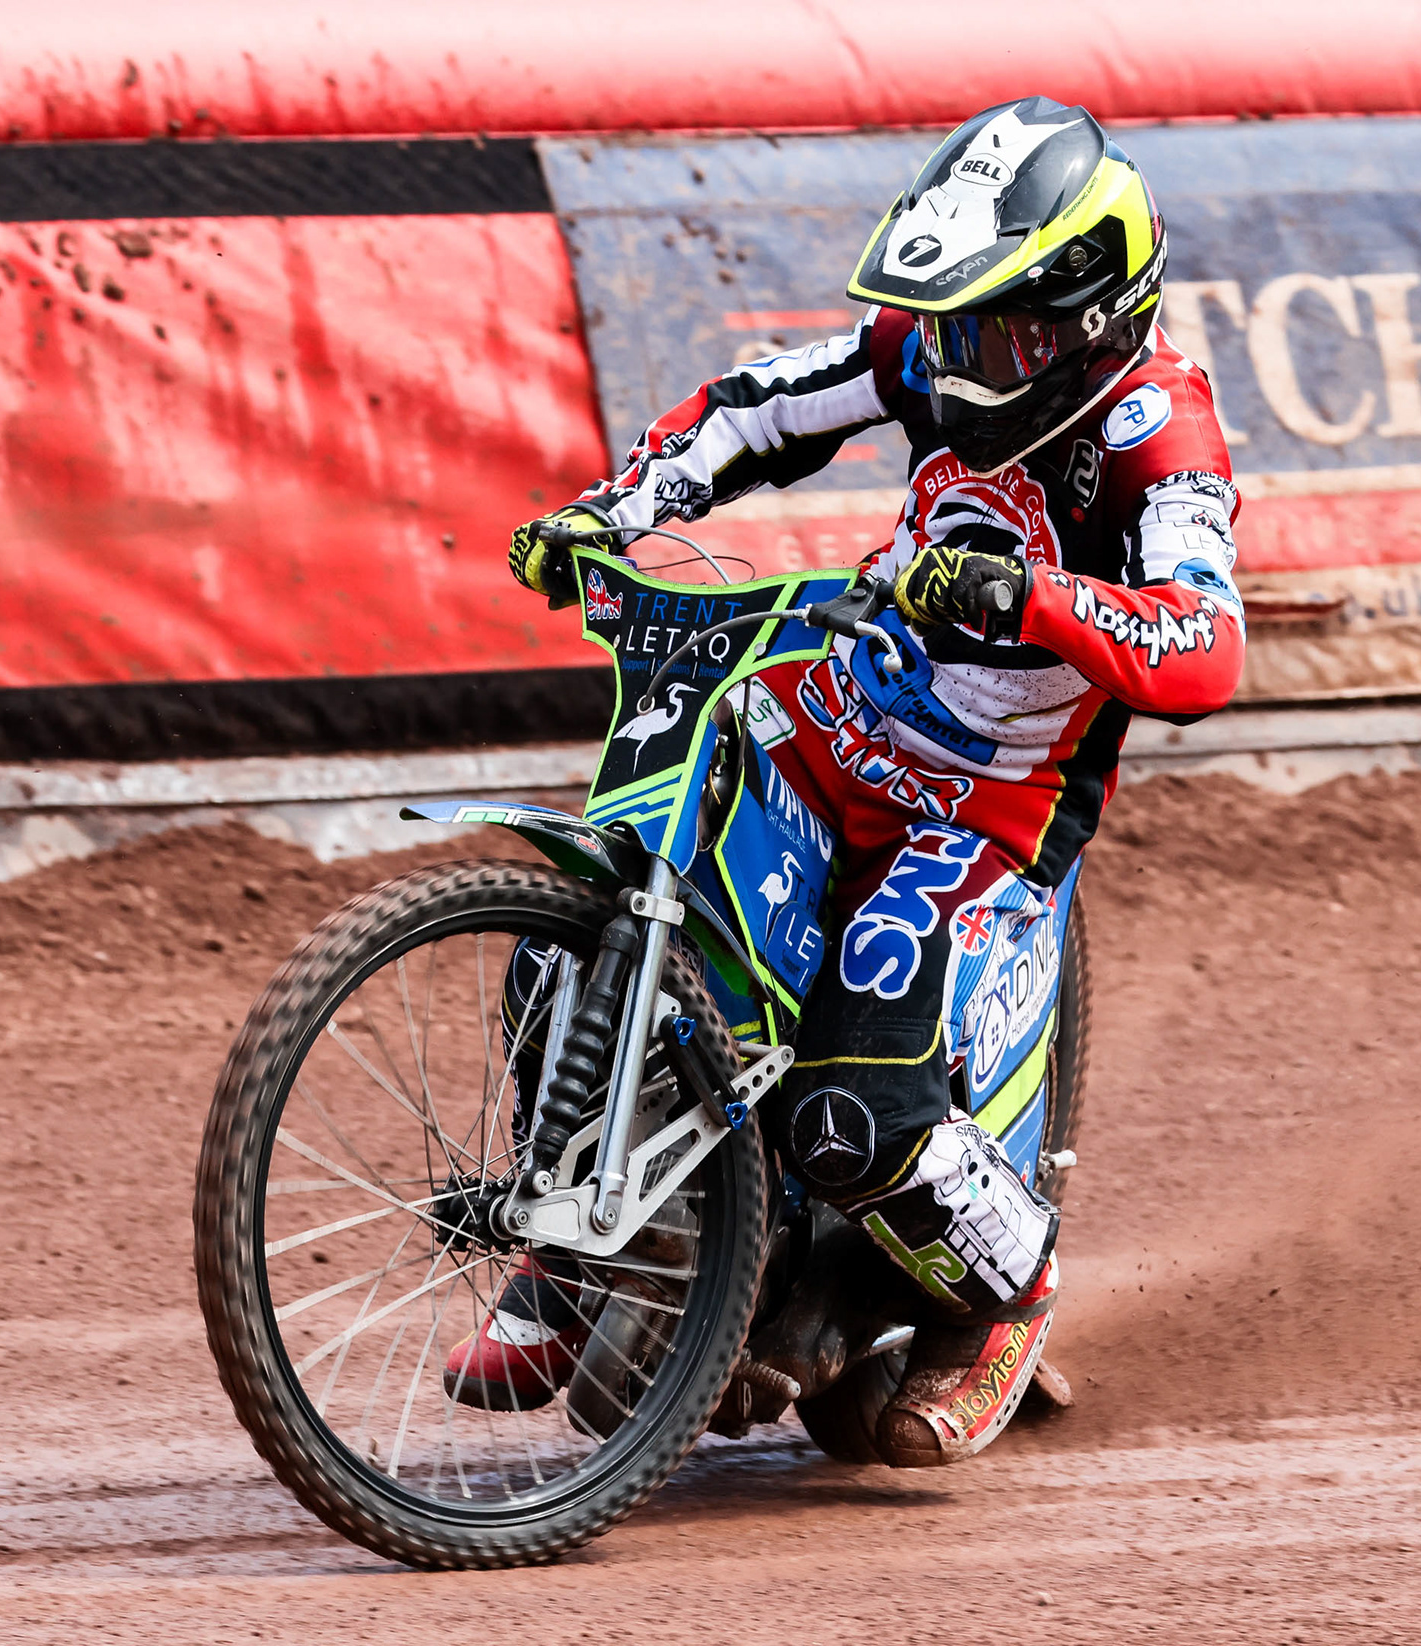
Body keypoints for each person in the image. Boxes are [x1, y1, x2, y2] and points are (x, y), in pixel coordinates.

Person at [451, 95, 1246, 1467]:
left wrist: (1028, 596)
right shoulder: (930, 351)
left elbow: (1206, 642)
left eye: (995, 331)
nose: (958, 360)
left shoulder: (1155, 434)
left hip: (986, 811)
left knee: (853, 1110)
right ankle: (574, 1242)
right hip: (833, 730)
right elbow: (759, 413)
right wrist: (614, 510)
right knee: (582, 932)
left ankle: (1007, 1294)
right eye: (950, 324)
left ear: (1090, 317)